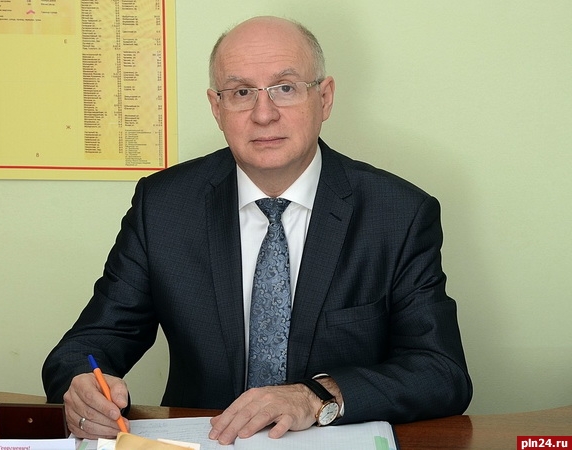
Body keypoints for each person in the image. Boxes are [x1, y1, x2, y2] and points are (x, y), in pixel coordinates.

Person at [42, 16, 472, 444]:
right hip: (206, 440)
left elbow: (441, 372)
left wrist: (318, 396)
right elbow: (87, 346)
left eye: (285, 88)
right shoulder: (164, 206)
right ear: (217, 108)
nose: (263, 114)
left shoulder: (397, 213)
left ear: (324, 98)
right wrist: (82, 384)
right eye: (241, 92)